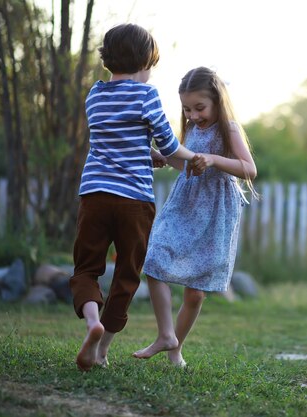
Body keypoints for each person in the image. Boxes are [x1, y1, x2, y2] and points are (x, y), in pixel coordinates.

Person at [69, 23, 198, 372]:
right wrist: (192, 158)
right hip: (134, 202)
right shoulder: (147, 95)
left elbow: (116, 143)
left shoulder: (94, 95)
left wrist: (148, 154)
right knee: (127, 273)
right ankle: (102, 349)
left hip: (95, 194)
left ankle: (92, 321)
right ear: (144, 61)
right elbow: (170, 145)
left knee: (86, 269)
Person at [132, 66, 258, 367]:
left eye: (199, 108)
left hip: (215, 211)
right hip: (184, 204)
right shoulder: (191, 128)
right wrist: (164, 157)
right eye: (187, 109)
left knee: (195, 293)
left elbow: (249, 169)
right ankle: (166, 335)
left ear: (217, 100)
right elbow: (188, 164)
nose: (193, 115)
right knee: (155, 258)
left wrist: (214, 159)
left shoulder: (228, 127)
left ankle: (176, 349)